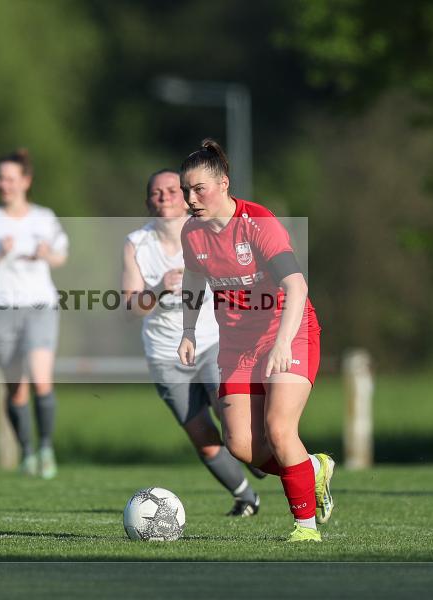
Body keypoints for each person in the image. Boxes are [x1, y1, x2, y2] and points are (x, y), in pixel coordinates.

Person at [177, 139, 335, 542]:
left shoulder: (258, 223)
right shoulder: (192, 233)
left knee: (279, 430)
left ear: (223, 184)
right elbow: (193, 279)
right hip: (237, 345)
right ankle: (313, 469)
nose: (191, 199)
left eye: (199, 189)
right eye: (185, 191)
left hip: (290, 332)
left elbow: (296, 285)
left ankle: (305, 528)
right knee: (243, 446)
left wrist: (282, 342)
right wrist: (188, 330)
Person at [122, 169, 262, 516]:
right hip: (164, 353)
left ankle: (264, 458)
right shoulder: (137, 243)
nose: (165, 197)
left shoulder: (207, 231)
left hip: (213, 340)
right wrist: (159, 289)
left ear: (186, 198)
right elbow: (130, 307)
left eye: (173, 190)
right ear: (148, 202)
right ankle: (246, 497)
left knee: (231, 420)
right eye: (157, 192)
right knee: (202, 437)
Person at [0, 149, 67, 479]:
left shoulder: (44, 218)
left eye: (10, 179)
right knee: (17, 388)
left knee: (40, 378)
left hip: (39, 305)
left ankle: (46, 449)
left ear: (25, 181)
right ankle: (27, 452)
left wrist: (46, 253)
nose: (3, 184)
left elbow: (60, 256)